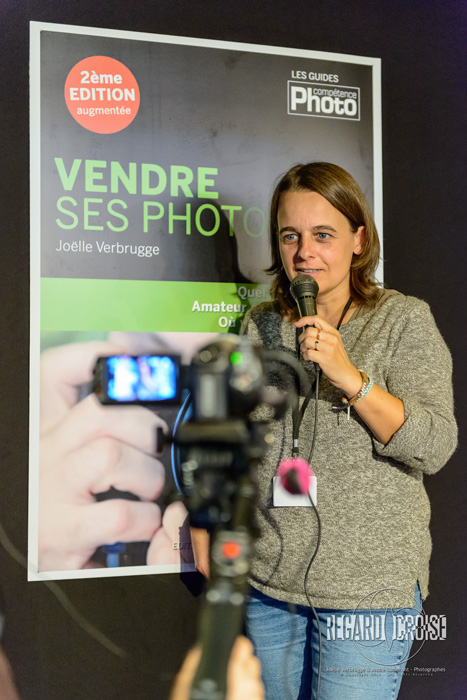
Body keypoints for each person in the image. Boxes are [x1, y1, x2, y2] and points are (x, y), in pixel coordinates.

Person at [192, 162, 457, 699]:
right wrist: (203, 522)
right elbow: (230, 434)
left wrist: (352, 380)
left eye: (323, 235)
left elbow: (435, 445)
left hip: (368, 592)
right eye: (290, 235)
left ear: (359, 240)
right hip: (271, 584)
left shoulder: (402, 320)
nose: (304, 251)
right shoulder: (261, 325)